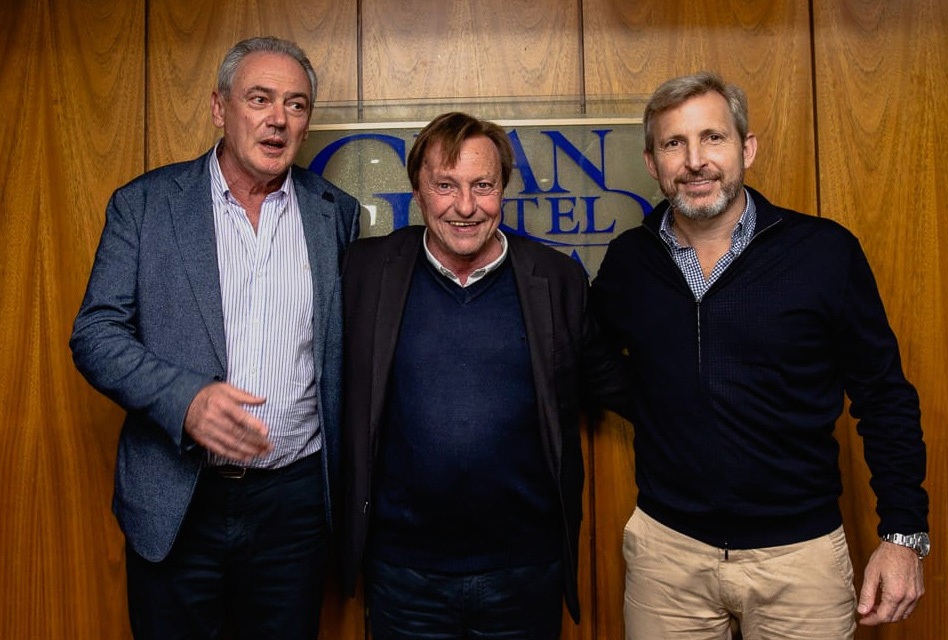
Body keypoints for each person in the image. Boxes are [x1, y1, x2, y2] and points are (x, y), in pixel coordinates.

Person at [591, 71, 928, 640]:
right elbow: (589, 352)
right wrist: (658, 402)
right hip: (667, 557)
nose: (695, 161)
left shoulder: (824, 252)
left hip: (800, 558)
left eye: (713, 138)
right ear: (652, 163)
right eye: (674, 143)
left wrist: (903, 534)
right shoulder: (630, 260)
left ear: (746, 148)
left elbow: (884, 397)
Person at [70, 36, 360, 639]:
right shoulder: (145, 205)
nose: (278, 119)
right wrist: (186, 400)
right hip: (179, 499)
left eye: (296, 104)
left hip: (294, 506)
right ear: (219, 108)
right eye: (259, 99)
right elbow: (96, 333)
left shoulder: (337, 212)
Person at [339, 112, 630, 639]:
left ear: (504, 190)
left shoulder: (557, 280)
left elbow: (612, 381)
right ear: (418, 191)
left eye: (483, 186)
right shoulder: (364, 271)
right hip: (405, 574)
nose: (466, 206)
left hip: (525, 571)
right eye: (445, 186)